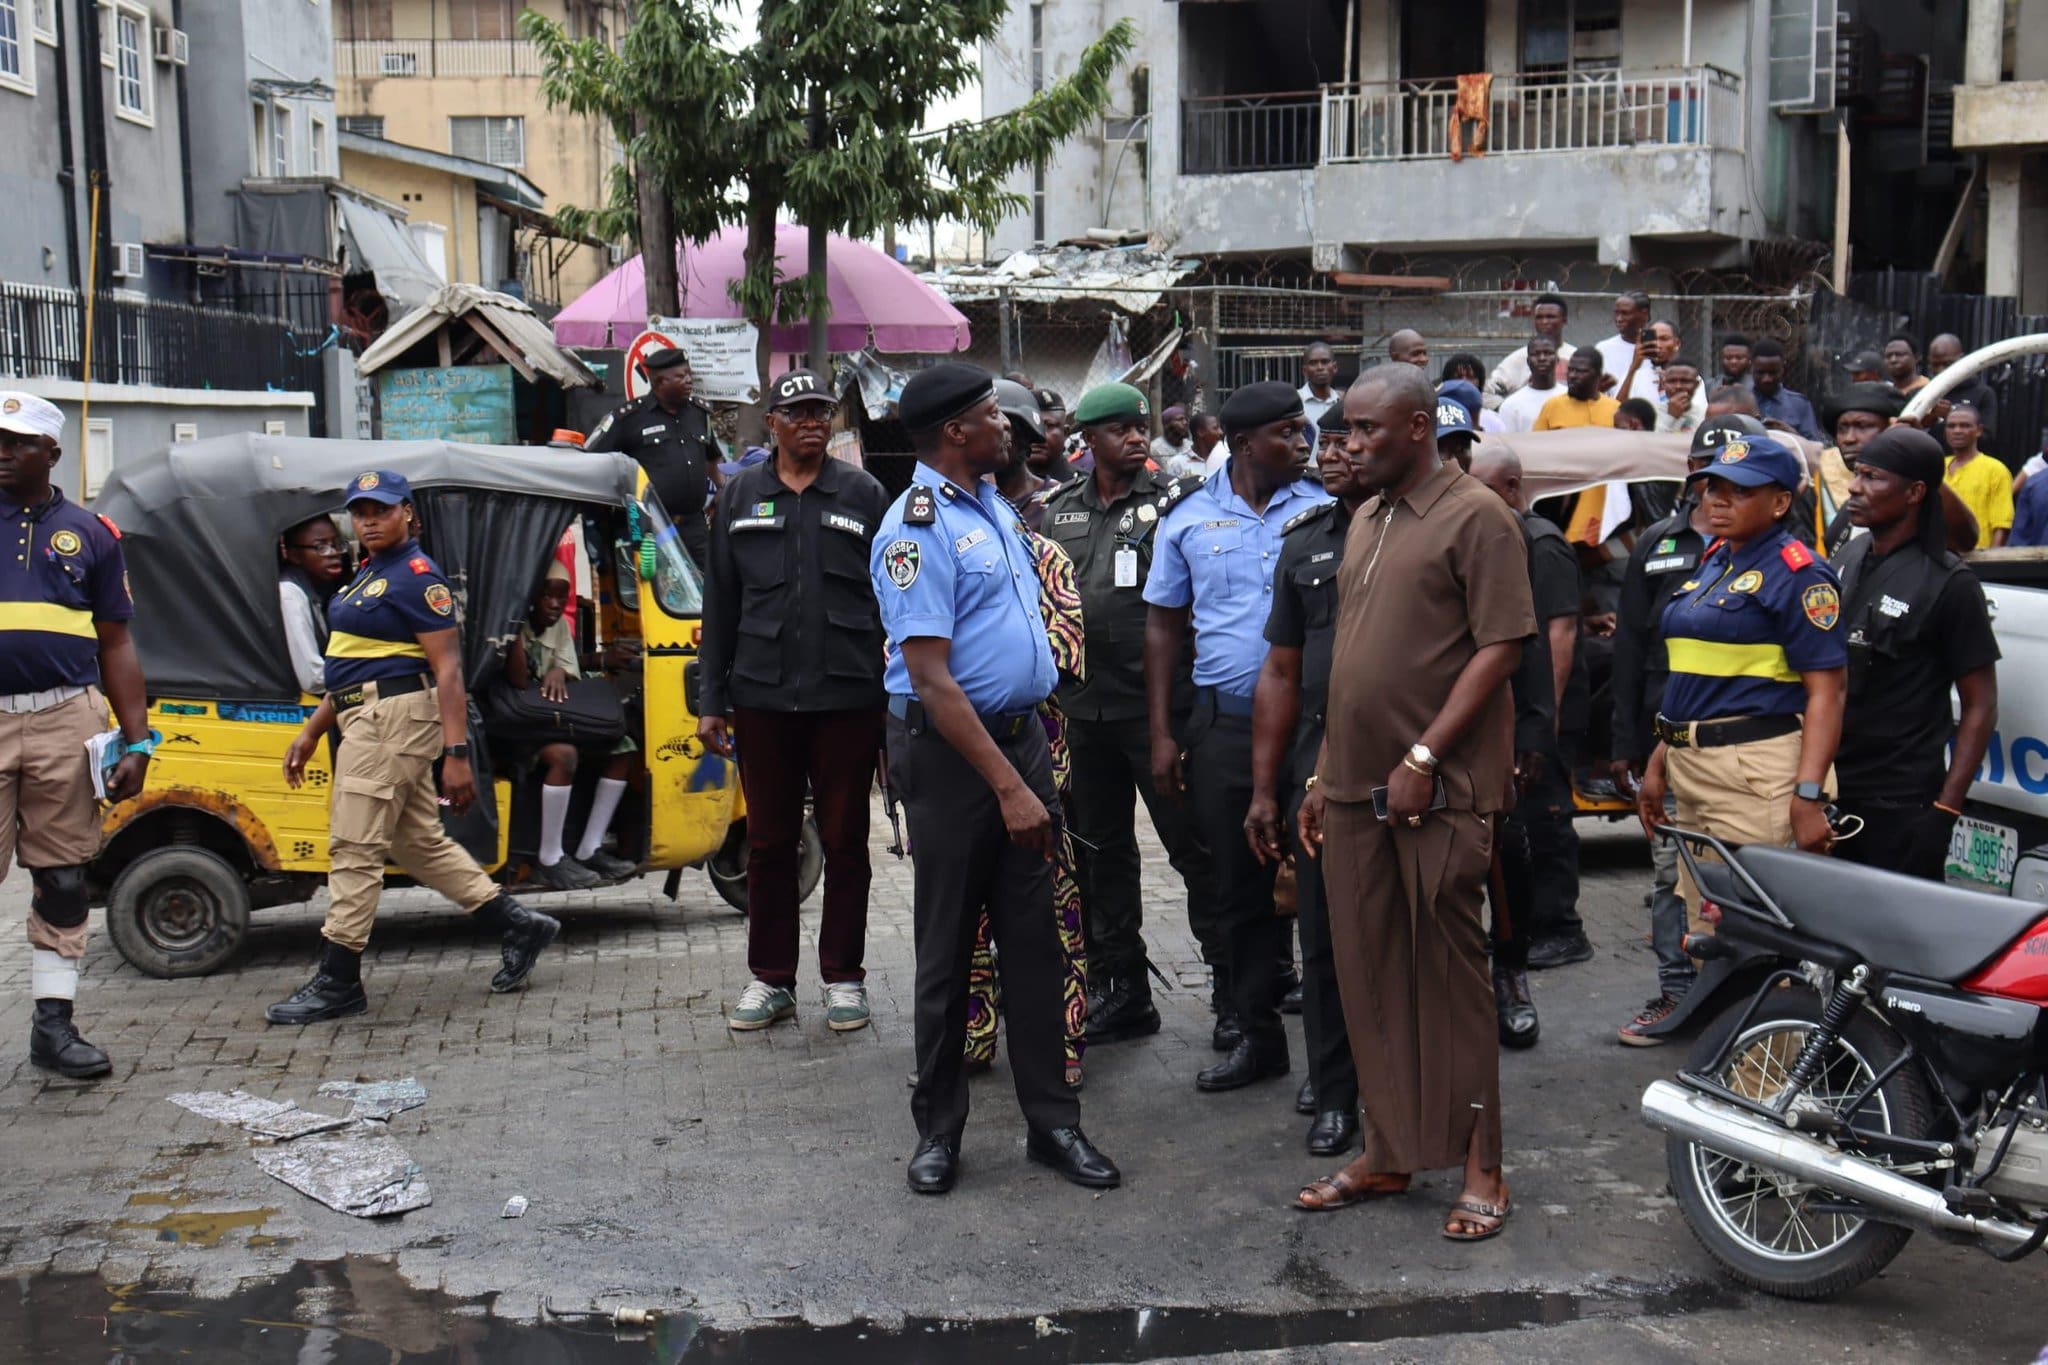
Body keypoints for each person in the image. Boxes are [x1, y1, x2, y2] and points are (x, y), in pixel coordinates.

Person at [1293, 362, 1531, 1241]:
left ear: (1422, 426)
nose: (1350, 444)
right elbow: (1349, 664)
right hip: (1354, 791)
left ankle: (1483, 1166)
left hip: (1437, 793)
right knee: (1369, 977)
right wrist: (1322, 775)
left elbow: (1502, 646)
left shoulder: (1478, 517)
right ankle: (1389, 1149)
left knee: (1450, 981)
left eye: (1367, 430)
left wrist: (1426, 754)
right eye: (1346, 430)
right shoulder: (1369, 517)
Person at [870, 363, 1118, 1194]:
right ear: (954, 433)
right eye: (989, 416)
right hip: (951, 759)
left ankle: (1053, 1123)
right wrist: (1009, 788)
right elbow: (933, 680)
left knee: (1037, 942)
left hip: (1021, 744)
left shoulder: (992, 508)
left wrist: (1027, 771)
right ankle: (938, 1131)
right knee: (947, 946)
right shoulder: (915, 528)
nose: (1006, 427)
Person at [269, 470, 560, 1025]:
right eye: (359, 512)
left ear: (409, 514)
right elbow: (352, 665)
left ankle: (339, 980)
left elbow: (448, 670)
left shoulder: (417, 576)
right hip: (362, 712)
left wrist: (457, 755)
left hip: (392, 719)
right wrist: (311, 730)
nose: (369, 521)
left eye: (381, 510)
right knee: (417, 841)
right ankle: (519, 924)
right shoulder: (368, 574)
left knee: (354, 847)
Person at [1144, 380, 1331, 1094]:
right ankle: (1256, 1038)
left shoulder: (1324, 508)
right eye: (1288, 432)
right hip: (1223, 725)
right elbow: (1163, 624)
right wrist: (1162, 732)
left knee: (1319, 889)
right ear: (1245, 442)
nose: (1304, 443)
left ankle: (1328, 1058)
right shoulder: (1186, 516)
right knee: (1238, 889)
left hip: (1313, 729)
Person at [698, 368, 888, 1033]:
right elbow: (720, 600)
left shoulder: (865, 494)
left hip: (848, 695)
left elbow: (892, 600)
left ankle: (844, 976)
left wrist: (896, 700)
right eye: (797, 411)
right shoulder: (740, 494)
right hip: (762, 695)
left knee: (845, 840)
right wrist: (710, 699)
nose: (812, 421)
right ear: (771, 422)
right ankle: (771, 978)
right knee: (771, 842)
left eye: (821, 411)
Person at [1040, 382, 1214, 1048]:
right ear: (1089, 441)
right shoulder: (1059, 512)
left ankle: (1231, 985)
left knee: (1192, 847)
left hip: (1157, 713)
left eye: (1140, 426)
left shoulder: (1177, 503)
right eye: (1119, 429)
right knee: (1102, 856)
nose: (1136, 437)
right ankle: (1124, 990)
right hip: (1085, 714)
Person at [1633, 435, 1846, 974]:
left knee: (1760, 944)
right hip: (1695, 769)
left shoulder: (1799, 574)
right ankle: (1736, 1059)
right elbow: (1697, 679)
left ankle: (1773, 1059)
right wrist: (1660, 761)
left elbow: (1828, 691)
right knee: (1712, 934)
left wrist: (1808, 796)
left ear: (1779, 502)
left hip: (1758, 775)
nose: (1717, 500)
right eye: (1711, 488)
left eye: (1739, 491)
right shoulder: (1715, 561)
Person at [0, 391, 152, 1078]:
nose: (2, 451)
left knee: (62, 876)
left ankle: (52, 1029)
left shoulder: (92, 534)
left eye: (17, 441)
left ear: (51, 453)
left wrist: (137, 740)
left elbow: (116, 643)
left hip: (67, 717)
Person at [1607, 416, 1756, 1043]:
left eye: (1730, 480)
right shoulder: (1658, 545)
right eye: (1705, 476)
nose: (1715, 491)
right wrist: (1626, 745)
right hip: (1667, 739)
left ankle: (1745, 1003)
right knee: (1672, 875)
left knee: (1748, 880)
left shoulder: (1778, 553)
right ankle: (1676, 992)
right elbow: (1630, 648)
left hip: (1751, 748)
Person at [965, 380, 1095, 1089]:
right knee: (963, 915)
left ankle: (1057, 1043)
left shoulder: (1046, 546)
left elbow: (1065, 657)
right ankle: (973, 1032)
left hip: (1036, 757)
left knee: (1050, 909)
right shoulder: (938, 539)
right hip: (956, 761)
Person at [1245, 399, 1365, 1158]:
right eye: (1333, 438)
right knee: (1319, 941)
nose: (1335, 451)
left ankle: (1402, 1083)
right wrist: (1265, 788)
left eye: (1356, 438)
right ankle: (1335, 1090)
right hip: (1316, 774)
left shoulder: (1423, 532)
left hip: (1402, 771)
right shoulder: (1306, 543)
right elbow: (1281, 670)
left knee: (1394, 942)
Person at [1833, 425, 1999, 880]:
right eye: (1857, 473)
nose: (1855, 486)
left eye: (1873, 477)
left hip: (1900, 805)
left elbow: (1981, 704)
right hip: (1831, 792)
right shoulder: (1846, 556)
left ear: (1915, 492)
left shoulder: (1950, 583)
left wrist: (1945, 810)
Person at [1460, 444, 1558, 1044]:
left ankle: (1511, 971)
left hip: (1498, 726)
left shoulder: (1520, 536)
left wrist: (1532, 732)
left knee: (1508, 856)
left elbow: (1531, 645)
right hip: (1431, 726)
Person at [504, 562, 638, 891]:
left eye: (559, 598)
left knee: (624, 749)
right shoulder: (512, 624)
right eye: (545, 596)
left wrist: (560, 673)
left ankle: (589, 847)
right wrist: (514, 621)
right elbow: (518, 679)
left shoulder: (559, 627)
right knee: (564, 756)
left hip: (555, 717)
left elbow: (569, 666)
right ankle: (549, 858)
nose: (553, 604)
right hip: (520, 724)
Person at [585, 348, 726, 570]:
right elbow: (593, 461)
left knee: (710, 583)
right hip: (652, 525)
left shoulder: (699, 413)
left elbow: (713, 457)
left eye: (689, 374)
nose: (689, 380)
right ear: (659, 382)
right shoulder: (629, 418)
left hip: (693, 524)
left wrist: (723, 489)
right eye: (681, 376)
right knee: (661, 592)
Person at [279, 514, 348, 695]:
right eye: (321, 547)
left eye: (337, 544)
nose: (334, 552)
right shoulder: (290, 595)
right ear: (294, 555)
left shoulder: (323, 589)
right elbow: (313, 678)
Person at [1484, 294, 1575, 403]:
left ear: (1564, 320)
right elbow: (1486, 392)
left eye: (1550, 317)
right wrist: (1506, 409)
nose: (1544, 322)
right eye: (1539, 317)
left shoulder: (1575, 356)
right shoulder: (1519, 358)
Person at [1943, 404, 2011, 549]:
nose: (1957, 431)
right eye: (1951, 426)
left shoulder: (1995, 470)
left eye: (1965, 425)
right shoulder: (1937, 466)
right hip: (1939, 558)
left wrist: (1991, 565)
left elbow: (2002, 525)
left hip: (1978, 557)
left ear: (1978, 430)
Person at [1928, 333, 1997, 444]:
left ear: (1961, 359)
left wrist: (1951, 416)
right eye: (1935, 365)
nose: (1941, 370)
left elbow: (1987, 440)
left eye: (1947, 364)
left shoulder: (1983, 393)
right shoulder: (1926, 392)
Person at [1749, 339, 1823, 442]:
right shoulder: (1741, 402)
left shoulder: (1799, 404)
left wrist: (1789, 432)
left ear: (1783, 368)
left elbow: (1814, 446)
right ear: (1751, 368)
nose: (1767, 379)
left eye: (1773, 373)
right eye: (1760, 373)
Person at [1533, 350, 1620, 430]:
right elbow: (1535, 443)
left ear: (1598, 375)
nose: (1572, 376)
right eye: (1570, 370)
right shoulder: (1552, 406)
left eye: (1580, 371)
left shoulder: (1615, 409)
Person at [1496, 335, 1560, 433]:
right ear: (1528, 361)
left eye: (1548, 353)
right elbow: (1508, 444)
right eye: (1535, 354)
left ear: (1557, 359)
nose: (1542, 358)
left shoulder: (1570, 397)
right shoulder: (1511, 404)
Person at [1594, 290, 1652, 392]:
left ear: (1644, 313)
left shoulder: (1658, 346)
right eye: (1616, 313)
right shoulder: (1603, 349)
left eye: (1625, 313)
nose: (1619, 319)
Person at [1299, 342, 1341, 428]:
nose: (1320, 367)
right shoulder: (1295, 402)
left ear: (1335, 367)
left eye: (1325, 362)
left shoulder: (1342, 401)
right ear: (1304, 370)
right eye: (1313, 363)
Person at [1656, 359, 1702, 433]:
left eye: (1685, 381)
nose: (1678, 386)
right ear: (1663, 384)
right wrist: (1671, 417)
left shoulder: (1705, 415)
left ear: (1696, 385)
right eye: (1672, 381)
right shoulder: (1651, 412)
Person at [1883, 332, 1929, 398]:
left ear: (1916, 358)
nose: (1893, 360)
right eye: (1888, 356)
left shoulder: (1928, 389)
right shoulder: (1886, 394)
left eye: (1899, 354)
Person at [1150, 405, 1194, 469]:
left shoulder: (1190, 446)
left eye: (1185, 419)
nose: (1185, 422)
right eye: (1180, 419)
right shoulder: (1154, 449)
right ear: (1167, 425)